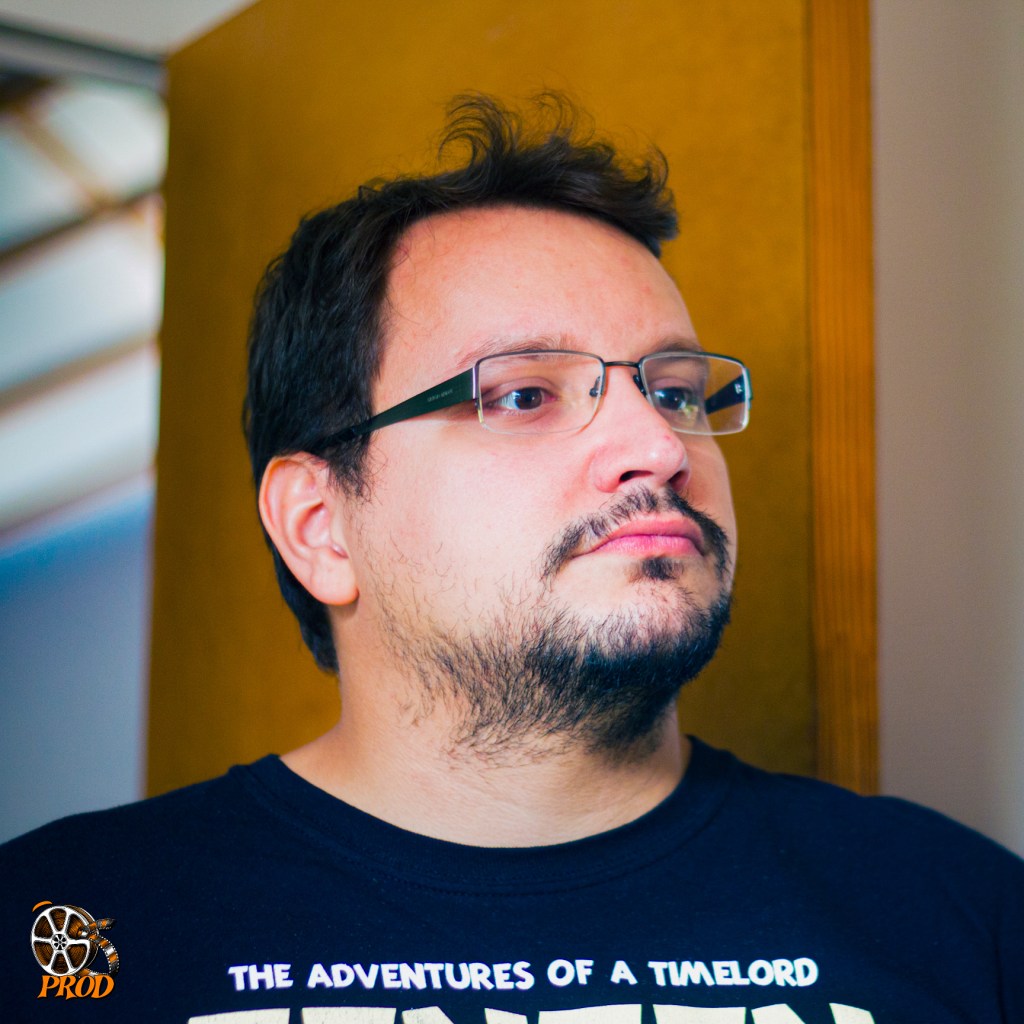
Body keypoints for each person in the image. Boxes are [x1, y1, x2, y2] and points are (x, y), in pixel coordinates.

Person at [1, 94, 1021, 1024]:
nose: (660, 446)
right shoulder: (66, 928)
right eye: (524, 394)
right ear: (319, 525)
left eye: (673, 391)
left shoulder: (956, 915)